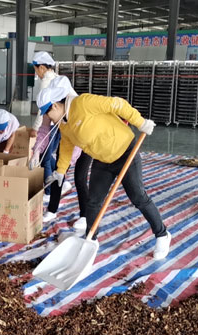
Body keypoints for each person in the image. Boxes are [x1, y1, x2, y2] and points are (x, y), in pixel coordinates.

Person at [36, 86, 171, 260]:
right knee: (93, 202)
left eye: (47, 113)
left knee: (138, 196)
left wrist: (140, 122)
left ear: (55, 106)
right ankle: (91, 239)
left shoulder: (83, 103)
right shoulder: (63, 123)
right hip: (101, 159)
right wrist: (61, 171)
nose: (47, 118)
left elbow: (117, 104)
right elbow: (67, 146)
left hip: (124, 151)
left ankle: (162, 234)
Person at [31, 76, 92, 228]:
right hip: (66, 140)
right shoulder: (51, 104)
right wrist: (37, 151)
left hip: (85, 144)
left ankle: (85, 215)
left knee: (80, 178)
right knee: (58, 173)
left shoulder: (78, 106)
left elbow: (79, 140)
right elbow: (44, 130)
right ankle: (52, 209)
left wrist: (68, 162)